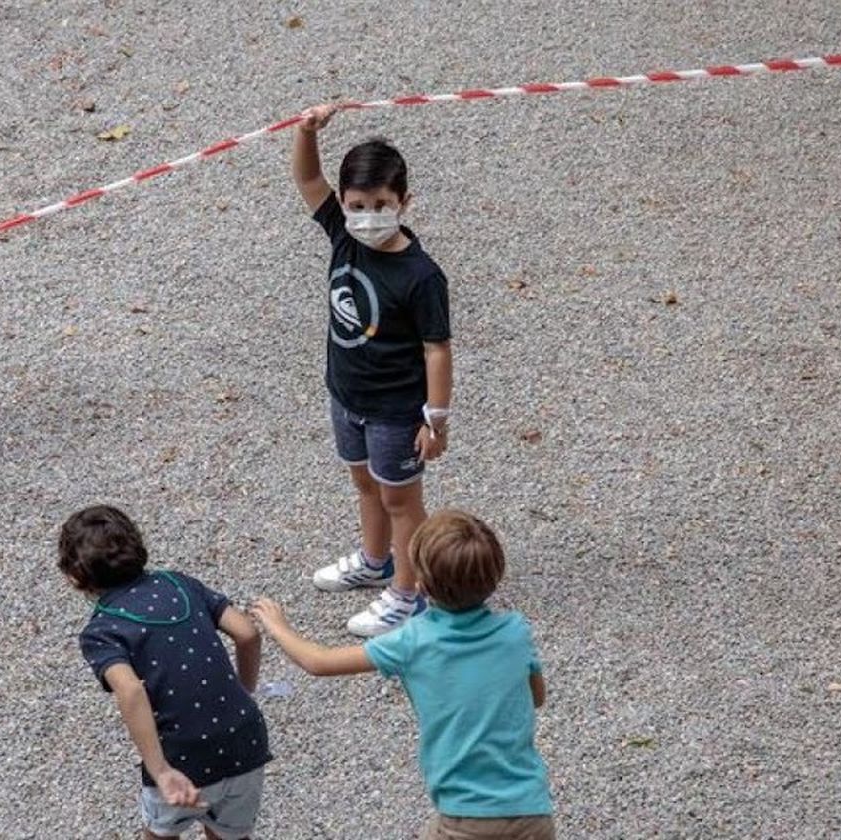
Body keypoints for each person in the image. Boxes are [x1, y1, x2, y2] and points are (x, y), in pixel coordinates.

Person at [252, 510, 554, 839]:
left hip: (465, 817)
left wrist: (278, 628)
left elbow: (319, 662)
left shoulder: (413, 641)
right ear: (496, 577)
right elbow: (536, 698)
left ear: (421, 586)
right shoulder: (515, 632)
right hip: (533, 812)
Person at [292, 103, 454, 637]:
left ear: (403, 202)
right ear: (343, 202)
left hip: (394, 410)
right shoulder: (343, 233)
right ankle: (375, 559)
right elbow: (308, 176)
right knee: (365, 484)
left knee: (401, 499)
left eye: (381, 204)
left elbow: (436, 349)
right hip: (347, 396)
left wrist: (435, 418)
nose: (367, 215)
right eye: (357, 204)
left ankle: (411, 593)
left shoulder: (422, 275)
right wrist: (306, 132)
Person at [60, 505, 271, 840]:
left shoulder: (102, 631)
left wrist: (159, 770)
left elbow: (130, 691)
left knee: (160, 834)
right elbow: (247, 633)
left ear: (74, 577)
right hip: (246, 738)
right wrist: (244, 691)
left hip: (183, 755)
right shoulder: (178, 583)